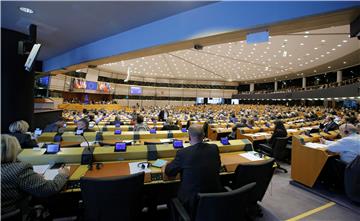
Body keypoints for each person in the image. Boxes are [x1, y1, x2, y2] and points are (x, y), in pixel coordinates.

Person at [1, 135, 70, 215]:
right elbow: (50, 188)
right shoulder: (19, 169)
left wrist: (31, 177)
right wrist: (62, 175)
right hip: (16, 214)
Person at [165, 124, 223, 217]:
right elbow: (218, 164)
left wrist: (166, 164)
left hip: (191, 202)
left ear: (189, 137)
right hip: (214, 198)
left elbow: (170, 172)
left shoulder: (183, 153)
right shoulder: (214, 148)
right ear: (204, 136)